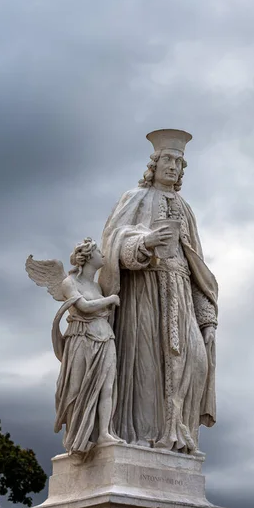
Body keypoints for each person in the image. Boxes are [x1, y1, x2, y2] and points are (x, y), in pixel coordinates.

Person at [99, 129, 218, 454]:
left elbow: (198, 266)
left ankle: (176, 431)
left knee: (194, 361)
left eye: (180, 162)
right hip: (144, 294)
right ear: (154, 163)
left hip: (181, 292)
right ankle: (144, 438)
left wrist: (207, 318)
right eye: (168, 159)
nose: (174, 166)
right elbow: (111, 243)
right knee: (147, 367)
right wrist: (145, 243)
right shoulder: (134, 199)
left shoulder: (185, 208)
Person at [26, 238, 122, 455]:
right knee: (76, 389)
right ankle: (75, 439)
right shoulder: (69, 282)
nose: (103, 255)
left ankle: (105, 432)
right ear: (88, 256)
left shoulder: (97, 286)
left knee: (106, 387)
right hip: (80, 338)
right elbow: (84, 306)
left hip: (105, 337)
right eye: (99, 251)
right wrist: (110, 300)